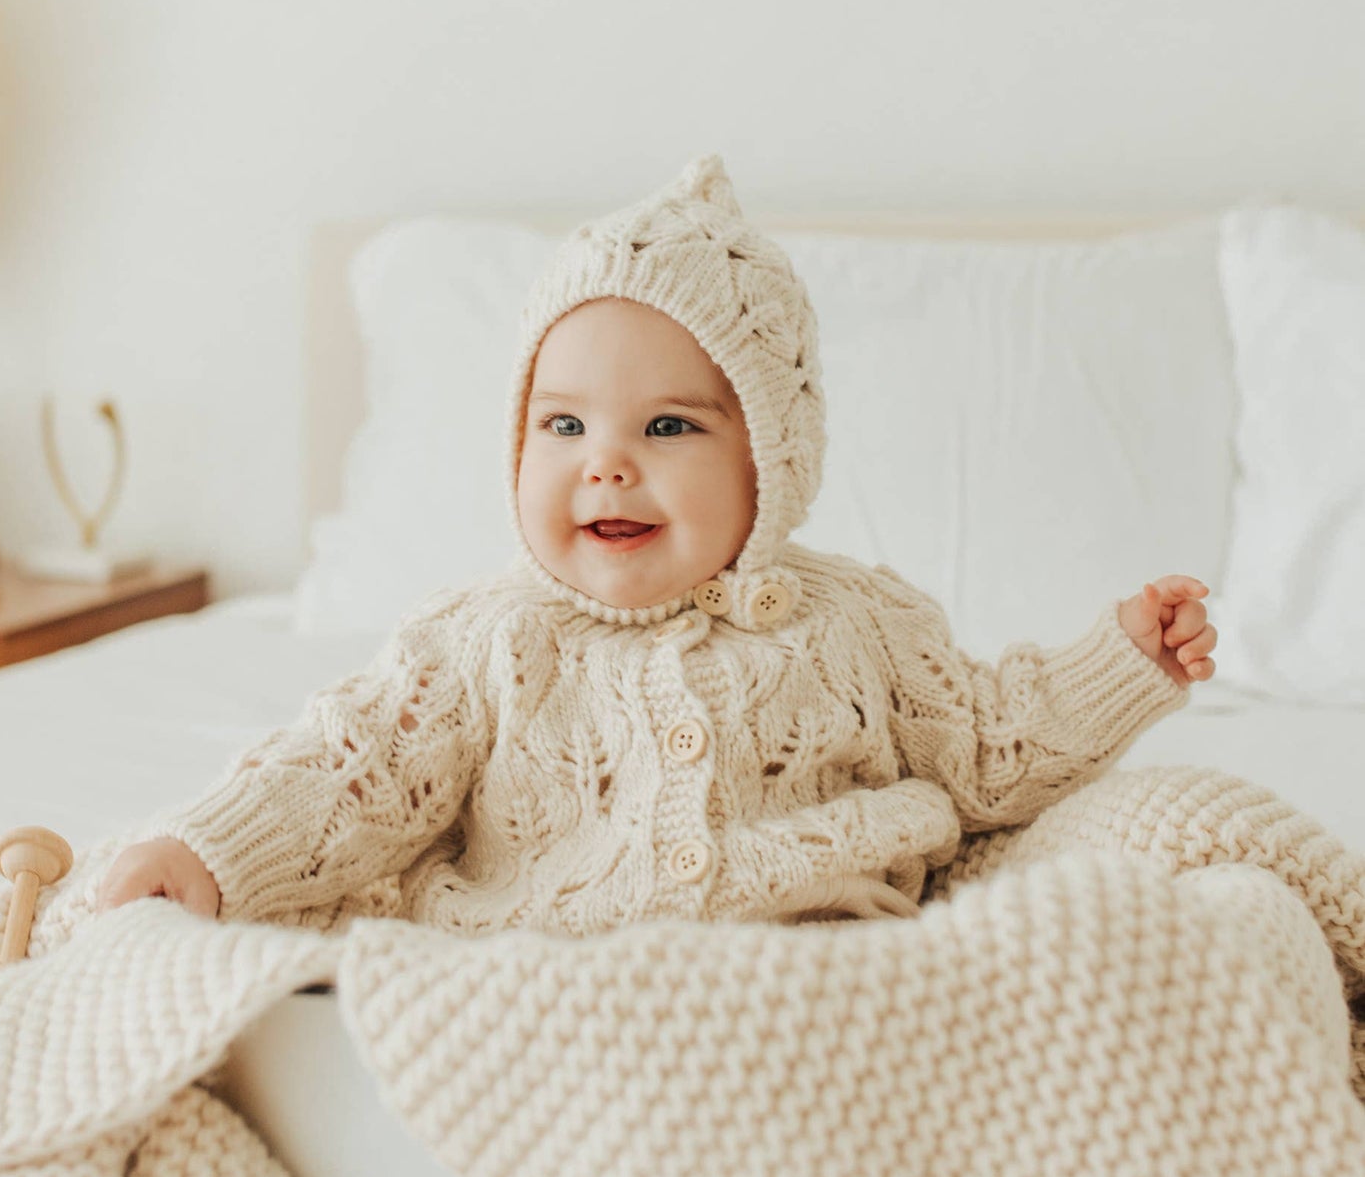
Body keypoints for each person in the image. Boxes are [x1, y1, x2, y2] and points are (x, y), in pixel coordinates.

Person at [97, 153, 1217, 931]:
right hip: (549, 980)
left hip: (830, 975)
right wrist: (207, 853)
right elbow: (346, 774)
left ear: (768, 461)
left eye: (668, 425)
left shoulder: (858, 623)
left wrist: (1116, 662)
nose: (605, 461)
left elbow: (989, 746)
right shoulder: (480, 640)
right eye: (564, 424)